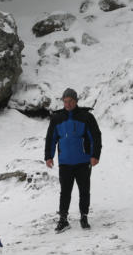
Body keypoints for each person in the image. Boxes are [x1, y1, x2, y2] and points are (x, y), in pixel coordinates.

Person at [44, 88, 102, 233]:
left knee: (84, 190)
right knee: (65, 192)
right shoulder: (57, 118)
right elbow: (51, 138)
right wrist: (48, 156)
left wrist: (95, 155)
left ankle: (84, 216)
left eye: (70, 101)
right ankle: (63, 219)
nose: (68, 104)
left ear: (76, 101)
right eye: (65, 101)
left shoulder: (86, 117)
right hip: (65, 162)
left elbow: (96, 136)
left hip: (83, 161)